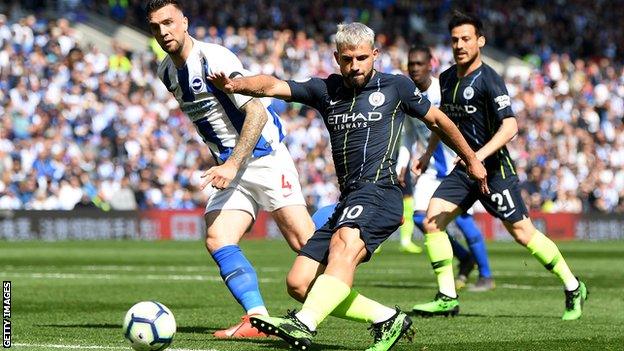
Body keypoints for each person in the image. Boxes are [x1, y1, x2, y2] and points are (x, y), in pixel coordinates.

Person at [209, 22, 487, 350]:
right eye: (346, 59)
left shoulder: (396, 87)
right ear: (336, 58)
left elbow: (439, 120)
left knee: (344, 244)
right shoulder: (326, 90)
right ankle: (387, 318)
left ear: (375, 55)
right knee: (299, 283)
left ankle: (304, 323)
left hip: (381, 191)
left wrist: (471, 158)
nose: (354, 66)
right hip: (350, 197)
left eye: (361, 58)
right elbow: (272, 86)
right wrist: (236, 84)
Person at [146, 0, 315, 338]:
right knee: (217, 236)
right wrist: (227, 161)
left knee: (304, 243)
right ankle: (257, 319)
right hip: (233, 164)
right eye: (156, 27)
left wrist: (233, 162)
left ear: (185, 22)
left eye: (169, 23)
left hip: (263, 157)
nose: (164, 32)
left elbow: (257, 113)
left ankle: (363, 302)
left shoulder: (214, 58)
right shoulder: (166, 71)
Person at [410, 11, 587, 320]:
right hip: (466, 171)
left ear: (480, 41)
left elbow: (510, 127)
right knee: (431, 220)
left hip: (494, 171)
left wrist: (478, 156)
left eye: (466, 39)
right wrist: (428, 153)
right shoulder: (448, 78)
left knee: (522, 233)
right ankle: (447, 297)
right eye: (455, 40)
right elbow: (445, 124)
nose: (460, 45)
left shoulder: (490, 79)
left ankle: (572, 286)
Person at [397, 45, 494, 291]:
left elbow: (448, 126)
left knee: (463, 220)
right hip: (430, 170)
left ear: (431, 64)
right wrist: (402, 165)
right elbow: (408, 134)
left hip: (454, 164)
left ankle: (486, 274)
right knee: (421, 217)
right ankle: (464, 257)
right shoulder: (407, 96)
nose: (415, 69)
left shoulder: (444, 90)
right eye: (411, 65)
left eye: (419, 64)